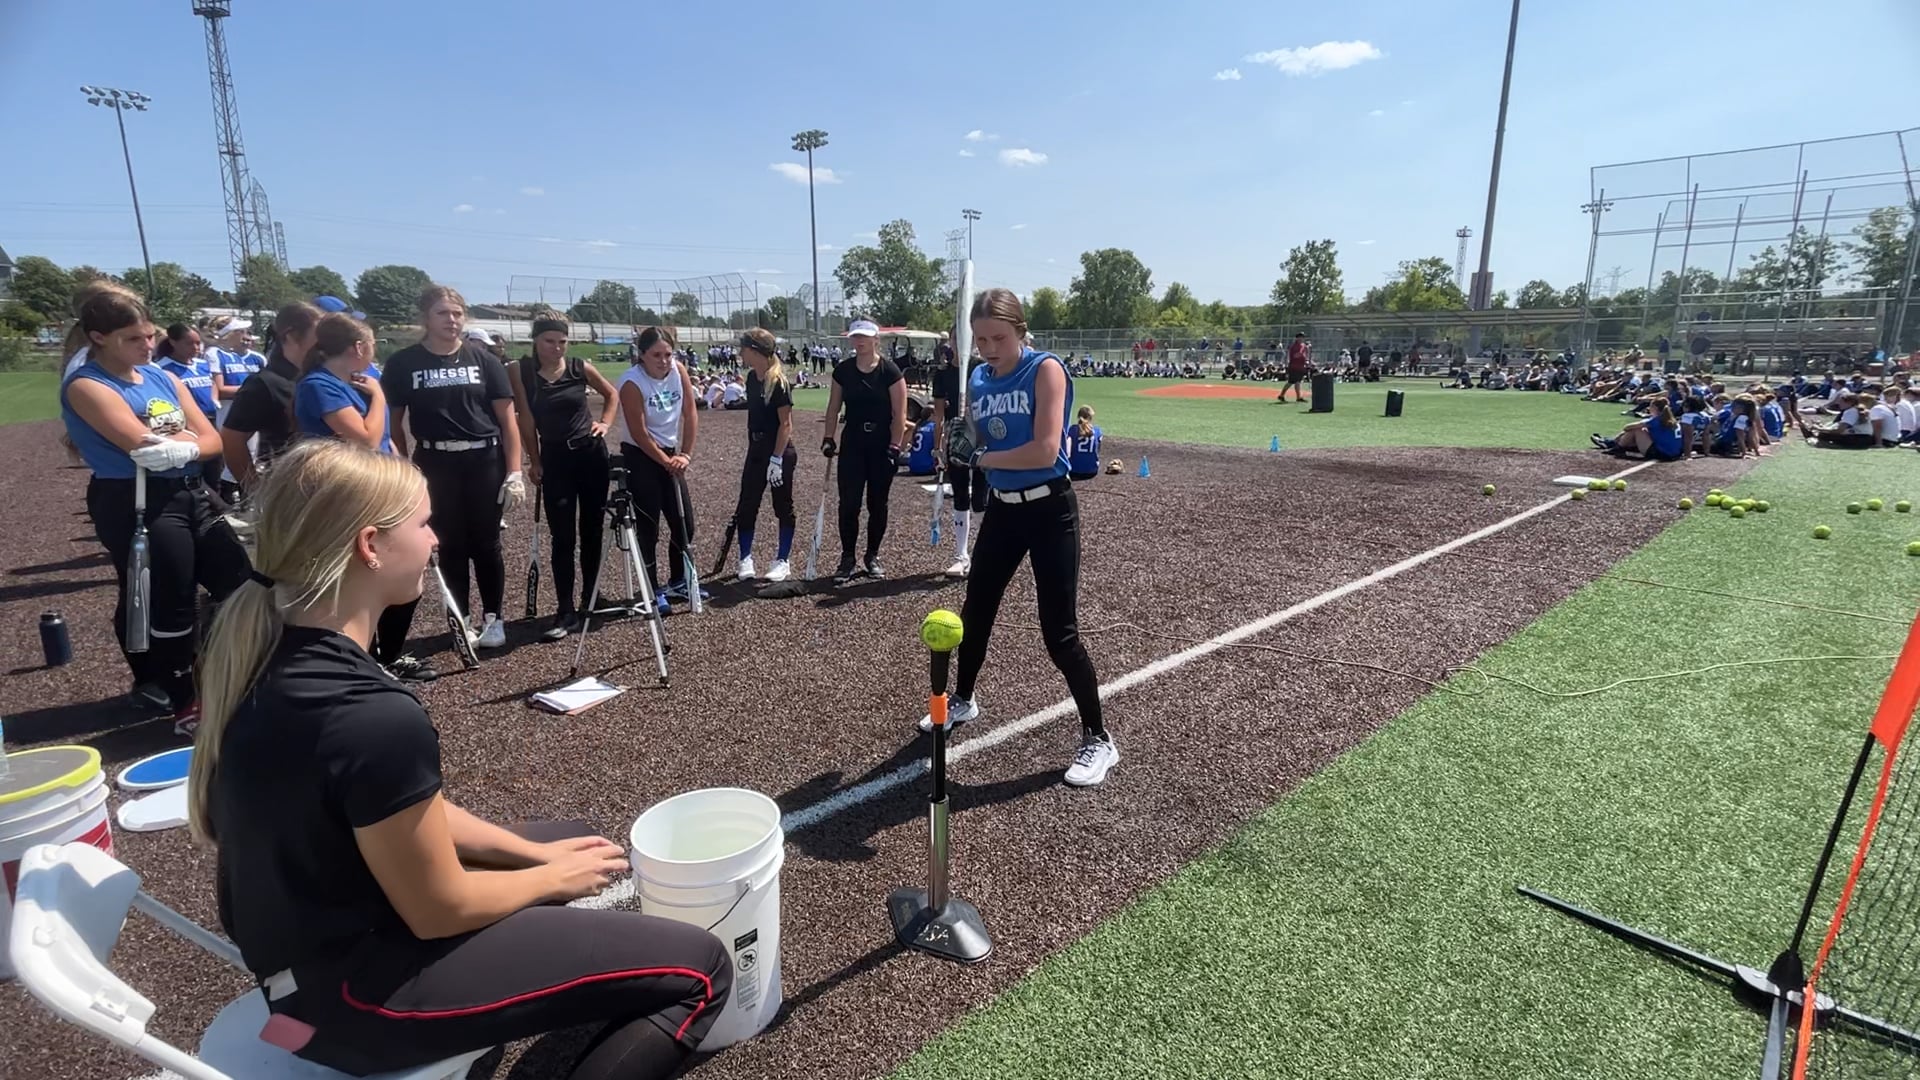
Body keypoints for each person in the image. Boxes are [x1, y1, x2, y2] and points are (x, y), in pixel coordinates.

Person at [186, 439, 731, 1080]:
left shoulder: (261, 649)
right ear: (370, 545)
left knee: (570, 839)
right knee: (704, 970)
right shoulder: (369, 714)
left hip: (309, 958)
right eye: (423, 524)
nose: (436, 539)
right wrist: (551, 880)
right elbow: (436, 908)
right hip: (357, 1004)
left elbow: (398, 809)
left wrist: (533, 855)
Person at [925, 288, 1117, 788]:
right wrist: (960, 439)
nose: (990, 348)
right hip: (1004, 511)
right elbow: (980, 434)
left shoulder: (1045, 369)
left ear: (1020, 331)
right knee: (975, 612)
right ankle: (964, 699)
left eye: (999, 338)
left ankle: (1099, 738)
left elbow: (1045, 449)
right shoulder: (979, 378)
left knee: (1060, 634)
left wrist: (979, 458)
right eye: (981, 340)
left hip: (1050, 509)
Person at [59, 282, 249, 721]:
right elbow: (141, 445)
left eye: (148, 335)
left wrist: (182, 444)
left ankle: (221, 671)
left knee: (241, 578)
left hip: (191, 492)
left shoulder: (162, 376)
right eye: (133, 339)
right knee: (170, 597)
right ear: (98, 337)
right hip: (135, 499)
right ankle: (183, 699)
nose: (148, 345)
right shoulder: (87, 386)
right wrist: (185, 440)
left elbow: (212, 441)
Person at [381, 284, 527, 651]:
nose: (452, 320)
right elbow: (393, 423)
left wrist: (514, 471)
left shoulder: (485, 361)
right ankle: (461, 617)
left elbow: (507, 421)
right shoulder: (404, 363)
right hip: (434, 461)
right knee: (449, 544)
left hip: (484, 459)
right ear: (426, 318)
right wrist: (403, 466)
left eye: (458, 313)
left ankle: (493, 618)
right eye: (443, 313)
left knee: (487, 542)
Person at [506, 311, 618, 640]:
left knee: (592, 531)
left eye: (562, 341)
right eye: (549, 341)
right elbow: (525, 419)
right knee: (563, 537)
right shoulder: (521, 371)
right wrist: (534, 460)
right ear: (535, 340)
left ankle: (591, 597)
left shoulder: (579, 367)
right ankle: (565, 608)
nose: (556, 348)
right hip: (555, 458)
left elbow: (611, 395)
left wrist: (605, 423)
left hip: (591, 455)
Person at [608, 325, 704, 609]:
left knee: (684, 523)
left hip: (672, 455)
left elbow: (690, 413)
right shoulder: (631, 382)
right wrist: (665, 461)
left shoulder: (678, 370)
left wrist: (685, 455)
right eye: (656, 355)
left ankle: (678, 580)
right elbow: (639, 432)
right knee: (649, 527)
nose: (663, 361)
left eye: (668, 354)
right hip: (641, 456)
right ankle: (652, 588)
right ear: (642, 355)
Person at [821, 318, 907, 580]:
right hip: (853, 443)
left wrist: (895, 445)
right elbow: (833, 407)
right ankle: (847, 557)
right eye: (855, 337)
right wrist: (828, 437)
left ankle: (872, 555)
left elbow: (899, 413)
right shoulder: (843, 371)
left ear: (875, 339)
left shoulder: (890, 371)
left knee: (877, 504)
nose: (859, 341)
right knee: (849, 503)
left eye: (864, 337)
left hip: (881, 444)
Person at [221, 300, 323, 496]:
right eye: (318, 335)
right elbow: (232, 440)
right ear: (291, 335)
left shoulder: (318, 376)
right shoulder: (264, 383)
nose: (324, 344)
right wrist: (256, 491)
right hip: (290, 491)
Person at [729, 327, 798, 582]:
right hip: (757, 450)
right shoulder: (751, 378)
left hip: (778, 450)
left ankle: (782, 560)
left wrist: (776, 459)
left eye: (744, 348)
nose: (741, 353)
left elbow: (786, 424)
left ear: (755, 351)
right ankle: (745, 557)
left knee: (783, 505)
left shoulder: (778, 382)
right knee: (747, 504)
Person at [931, 339, 987, 579]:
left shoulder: (983, 368)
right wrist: (937, 447)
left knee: (981, 498)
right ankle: (961, 555)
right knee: (960, 494)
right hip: (956, 438)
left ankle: (983, 554)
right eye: (955, 338)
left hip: (982, 436)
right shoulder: (943, 374)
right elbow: (939, 415)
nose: (960, 342)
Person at [294, 314, 390, 453]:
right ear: (359, 348)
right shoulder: (319, 386)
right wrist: (379, 397)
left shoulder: (362, 383)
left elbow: (385, 438)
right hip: (348, 467)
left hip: (382, 465)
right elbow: (367, 444)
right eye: (372, 345)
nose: (374, 353)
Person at [154, 324, 223, 490]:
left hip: (211, 421)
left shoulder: (202, 364)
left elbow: (213, 382)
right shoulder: (163, 368)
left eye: (198, 343)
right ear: (173, 342)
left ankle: (217, 499)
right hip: (188, 425)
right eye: (189, 343)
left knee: (215, 468)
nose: (195, 347)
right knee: (196, 469)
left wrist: (214, 398)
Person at [1067, 406, 1103, 481]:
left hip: (1074, 471)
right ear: (1090, 417)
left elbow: (1067, 452)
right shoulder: (1097, 430)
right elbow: (1098, 451)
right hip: (1092, 471)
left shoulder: (1072, 429)